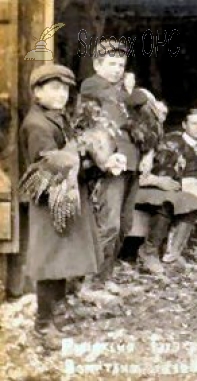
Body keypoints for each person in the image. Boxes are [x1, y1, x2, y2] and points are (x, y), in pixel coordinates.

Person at [20, 64, 102, 348]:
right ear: (37, 93)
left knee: (61, 261)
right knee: (49, 263)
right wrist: (85, 161)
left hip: (65, 197)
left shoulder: (56, 118)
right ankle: (43, 325)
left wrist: (96, 162)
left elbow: (72, 158)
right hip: (50, 201)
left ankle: (54, 315)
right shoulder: (37, 125)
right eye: (54, 88)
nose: (61, 94)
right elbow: (49, 167)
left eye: (65, 88)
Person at [80, 40, 137, 281]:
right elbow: (128, 101)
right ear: (97, 64)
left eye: (121, 65)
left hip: (131, 162)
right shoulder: (93, 85)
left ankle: (105, 276)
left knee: (124, 224)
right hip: (109, 164)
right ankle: (93, 282)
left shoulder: (121, 91)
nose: (117, 69)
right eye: (112, 64)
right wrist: (134, 91)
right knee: (109, 223)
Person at [135, 107, 197, 273]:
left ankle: (172, 253)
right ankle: (148, 252)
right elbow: (152, 173)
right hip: (143, 187)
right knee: (168, 201)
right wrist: (160, 180)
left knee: (194, 202)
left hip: (165, 188)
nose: (161, 119)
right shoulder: (168, 142)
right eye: (158, 115)